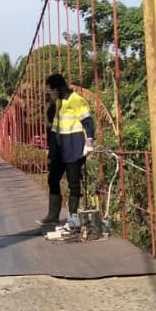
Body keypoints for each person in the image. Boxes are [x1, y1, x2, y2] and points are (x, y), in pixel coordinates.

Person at [37, 73, 95, 227]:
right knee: (52, 179)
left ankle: (73, 216)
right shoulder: (58, 102)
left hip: (74, 146)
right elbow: (51, 118)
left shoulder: (76, 99)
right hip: (59, 147)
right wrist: (52, 102)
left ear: (58, 88)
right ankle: (53, 215)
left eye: (52, 89)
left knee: (73, 182)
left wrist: (89, 141)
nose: (51, 92)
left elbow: (88, 121)